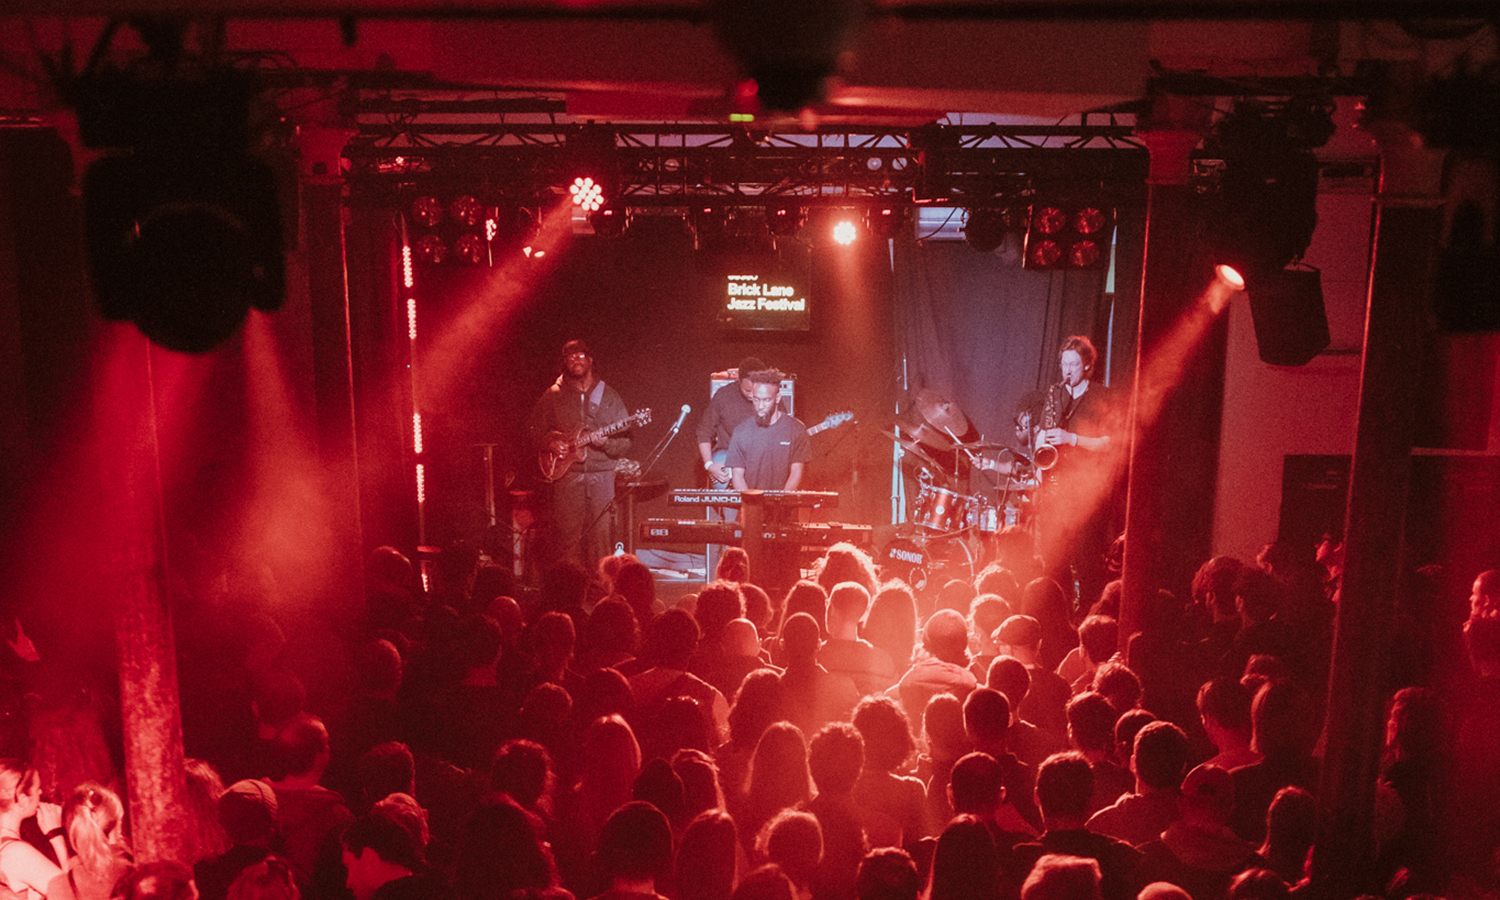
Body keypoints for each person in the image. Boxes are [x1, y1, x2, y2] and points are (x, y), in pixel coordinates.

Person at [529, 339, 633, 567]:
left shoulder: (610, 396)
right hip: (567, 476)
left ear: (591, 360)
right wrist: (551, 442)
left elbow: (626, 443)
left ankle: (600, 591)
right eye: (570, 357)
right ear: (565, 363)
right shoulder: (553, 395)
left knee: (601, 539)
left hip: (602, 476)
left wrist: (605, 444)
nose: (576, 360)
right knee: (568, 539)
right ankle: (570, 592)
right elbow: (533, 432)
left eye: (581, 356)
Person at [1034, 336, 1117, 608]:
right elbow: (1042, 434)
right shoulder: (1054, 395)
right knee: (1054, 562)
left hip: (1087, 493)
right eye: (1063, 363)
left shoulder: (1101, 396)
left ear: (1087, 366)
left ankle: (1090, 618)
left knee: (1087, 563)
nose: (1067, 369)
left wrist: (1072, 439)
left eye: (1073, 364)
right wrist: (1039, 462)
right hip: (1056, 490)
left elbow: (1108, 443)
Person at [726, 369, 810, 492]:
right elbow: (737, 476)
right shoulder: (741, 432)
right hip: (750, 508)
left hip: (783, 508)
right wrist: (751, 504)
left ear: (777, 398)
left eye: (766, 400)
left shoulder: (796, 430)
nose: (760, 406)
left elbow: (796, 472)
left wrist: (781, 501)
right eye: (756, 399)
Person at [698, 357, 771, 486]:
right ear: (739, 381)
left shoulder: (771, 398)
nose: (752, 395)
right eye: (747, 390)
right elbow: (704, 431)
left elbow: (784, 430)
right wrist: (709, 464)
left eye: (756, 391)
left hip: (761, 461)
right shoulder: (723, 396)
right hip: (728, 456)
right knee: (730, 502)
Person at [0, 760, 65, 900]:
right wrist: (57, 837)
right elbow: (76, 895)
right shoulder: (18, 853)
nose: (41, 792)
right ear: (22, 799)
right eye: (37, 788)